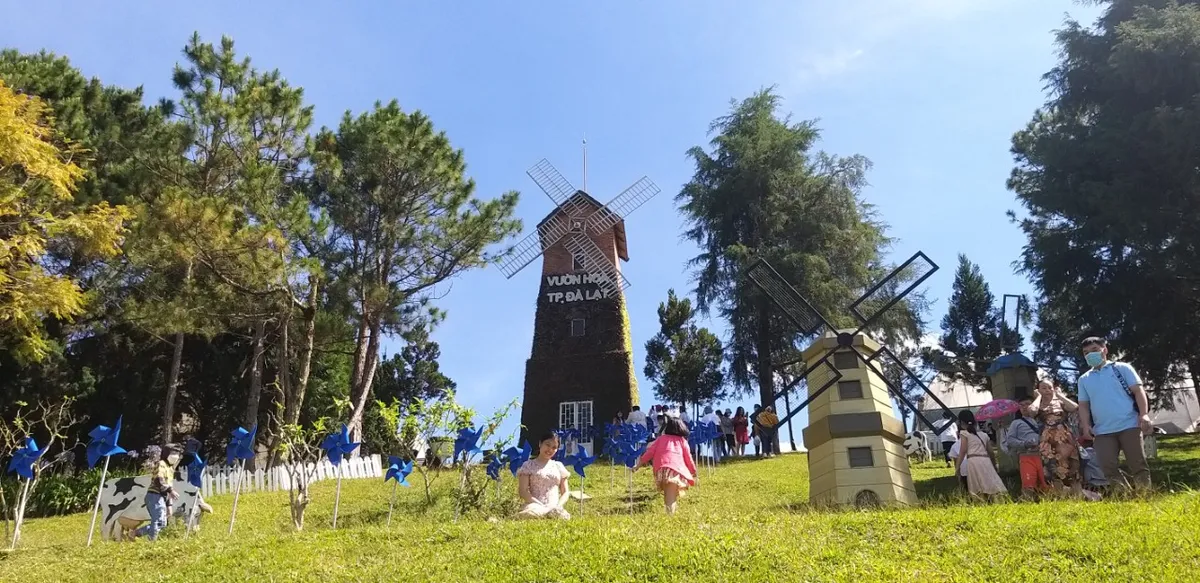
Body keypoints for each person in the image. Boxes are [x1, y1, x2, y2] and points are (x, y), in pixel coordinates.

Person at [1077, 336, 1152, 490]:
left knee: (1138, 464)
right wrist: (1086, 426)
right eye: (1086, 353)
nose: (1090, 355)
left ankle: (1145, 496)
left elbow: (1138, 391)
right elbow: (1083, 405)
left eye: (1094, 350)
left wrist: (1144, 414)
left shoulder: (1122, 368)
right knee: (1107, 467)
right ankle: (1124, 495)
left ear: (1105, 350)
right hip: (1102, 431)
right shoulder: (1084, 379)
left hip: (1130, 425)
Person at [633, 413, 698, 514]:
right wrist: (693, 471)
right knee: (671, 496)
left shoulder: (660, 439)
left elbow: (649, 453)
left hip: (662, 470)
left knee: (668, 495)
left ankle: (670, 514)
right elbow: (688, 458)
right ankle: (670, 517)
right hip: (675, 470)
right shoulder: (682, 441)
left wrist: (638, 465)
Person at [516, 432, 571, 520]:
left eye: (554, 447)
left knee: (562, 516)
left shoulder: (559, 466)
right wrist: (540, 505)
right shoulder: (528, 465)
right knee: (532, 513)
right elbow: (523, 491)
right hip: (535, 505)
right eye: (547, 445)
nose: (550, 449)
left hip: (554, 507)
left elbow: (565, 492)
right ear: (540, 443)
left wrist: (558, 506)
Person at [955, 410, 1007, 500]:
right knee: (990, 480)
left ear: (961, 422)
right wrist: (994, 464)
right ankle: (997, 500)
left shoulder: (964, 433)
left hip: (973, 460)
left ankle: (980, 501)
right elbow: (990, 452)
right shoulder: (983, 435)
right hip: (985, 460)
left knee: (977, 484)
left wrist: (957, 467)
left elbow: (963, 451)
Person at [135, 446, 179, 541]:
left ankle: (135, 533)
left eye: (177, 454)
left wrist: (169, 505)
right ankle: (152, 542)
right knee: (157, 521)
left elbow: (168, 486)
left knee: (162, 523)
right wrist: (170, 490)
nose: (175, 457)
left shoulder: (170, 468)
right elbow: (159, 480)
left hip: (161, 497)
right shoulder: (161, 464)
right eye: (173, 453)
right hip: (154, 496)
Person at [1006, 395, 1047, 493]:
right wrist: (1024, 444)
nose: (1024, 407)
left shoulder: (1044, 420)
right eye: (1021, 405)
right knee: (1028, 486)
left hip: (1045, 457)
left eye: (1027, 404)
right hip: (1026, 456)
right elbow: (1010, 440)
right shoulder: (1016, 423)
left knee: (1048, 485)